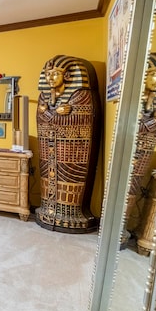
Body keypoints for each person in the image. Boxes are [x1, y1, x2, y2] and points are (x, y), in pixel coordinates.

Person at [35, 55, 101, 232]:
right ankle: (48, 207)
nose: (50, 78)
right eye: (48, 74)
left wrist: (51, 113)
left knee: (71, 175)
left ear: (67, 76)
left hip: (74, 144)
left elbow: (83, 119)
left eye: (55, 73)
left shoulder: (81, 95)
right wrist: (57, 113)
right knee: (47, 174)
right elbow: (41, 118)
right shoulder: (44, 95)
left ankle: (71, 212)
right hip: (47, 144)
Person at [125, 52, 156, 239]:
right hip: (126, 151)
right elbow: (128, 125)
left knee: (133, 188)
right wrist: (151, 121)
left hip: (142, 152)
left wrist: (149, 122)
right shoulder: (131, 99)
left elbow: (153, 127)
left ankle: (122, 226)